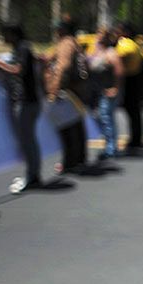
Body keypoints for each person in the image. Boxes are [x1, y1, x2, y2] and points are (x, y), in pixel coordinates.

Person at [0, 23, 43, 191]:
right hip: (26, 101)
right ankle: (33, 173)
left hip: (26, 102)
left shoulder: (23, 48)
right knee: (27, 139)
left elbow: (18, 70)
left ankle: (33, 176)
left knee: (27, 140)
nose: (4, 38)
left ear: (14, 34)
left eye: (6, 34)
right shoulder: (21, 48)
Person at [45, 19, 88, 174]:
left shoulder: (66, 44)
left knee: (68, 128)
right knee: (75, 126)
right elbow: (49, 57)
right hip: (74, 91)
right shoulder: (71, 43)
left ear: (62, 30)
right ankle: (78, 160)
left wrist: (53, 89)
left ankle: (71, 162)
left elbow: (63, 66)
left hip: (67, 92)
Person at [89, 29, 125, 160]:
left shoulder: (111, 53)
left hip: (108, 91)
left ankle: (111, 148)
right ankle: (108, 145)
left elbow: (119, 72)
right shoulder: (96, 51)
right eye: (98, 35)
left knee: (106, 119)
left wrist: (115, 87)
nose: (99, 38)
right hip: (97, 91)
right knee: (100, 118)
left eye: (102, 36)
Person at [115, 22, 143, 151]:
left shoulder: (126, 44)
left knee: (132, 111)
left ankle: (135, 139)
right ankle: (136, 138)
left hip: (130, 80)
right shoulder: (137, 44)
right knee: (135, 112)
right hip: (136, 80)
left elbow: (120, 56)